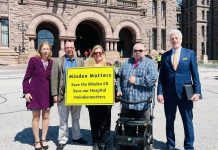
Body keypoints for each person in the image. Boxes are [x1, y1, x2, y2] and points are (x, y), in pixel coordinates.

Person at [157, 29, 201, 150]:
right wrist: (159, 92)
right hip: (169, 94)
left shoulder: (189, 53)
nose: (174, 40)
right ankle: (170, 145)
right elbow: (161, 77)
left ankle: (189, 146)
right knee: (169, 122)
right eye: (172, 38)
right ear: (170, 41)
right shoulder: (165, 56)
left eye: (176, 38)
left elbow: (195, 74)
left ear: (181, 39)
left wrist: (197, 92)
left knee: (188, 121)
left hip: (187, 92)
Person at [51, 41, 87, 150]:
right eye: (67, 48)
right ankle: (62, 140)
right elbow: (54, 79)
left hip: (76, 95)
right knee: (63, 118)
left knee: (76, 117)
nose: (70, 49)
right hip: (63, 95)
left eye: (71, 47)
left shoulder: (80, 61)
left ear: (74, 48)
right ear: (64, 49)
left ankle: (76, 137)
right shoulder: (57, 61)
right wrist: (55, 94)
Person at [22, 41, 53, 150]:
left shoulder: (51, 62)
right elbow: (27, 77)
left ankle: (43, 139)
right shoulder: (33, 60)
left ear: (50, 50)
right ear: (40, 50)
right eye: (44, 49)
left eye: (47, 49)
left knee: (46, 117)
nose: (45, 51)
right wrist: (26, 92)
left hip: (47, 94)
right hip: (34, 93)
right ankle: (37, 141)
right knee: (36, 117)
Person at [116, 42, 158, 123]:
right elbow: (118, 77)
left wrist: (137, 80)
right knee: (127, 128)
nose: (138, 52)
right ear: (132, 52)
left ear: (144, 52)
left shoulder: (150, 63)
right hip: (126, 103)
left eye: (140, 50)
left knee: (142, 130)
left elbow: (152, 79)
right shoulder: (126, 63)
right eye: (135, 50)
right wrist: (119, 89)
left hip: (142, 105)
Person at [85, 45, 112, 150]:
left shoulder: (108, 65)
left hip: (105, 98)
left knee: (105, 121)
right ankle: (95, 141)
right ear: (92, 55)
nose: (98, 55)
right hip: (92, 98)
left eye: (100, 53)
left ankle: (104, 141)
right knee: (94, 120)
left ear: (103, 54)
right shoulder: (87, 66)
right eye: (95, 53)